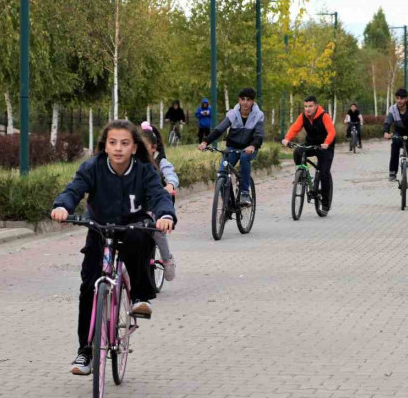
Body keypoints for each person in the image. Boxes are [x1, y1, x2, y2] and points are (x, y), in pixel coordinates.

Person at [50, 120, 176, 375]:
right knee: (88, 286)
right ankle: (85, 351)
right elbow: (74, 189)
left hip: (132, 225)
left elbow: (159, 195)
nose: (118, 148)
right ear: (105, 146)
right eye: (113, 142)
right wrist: (63, 206)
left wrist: (166, 215)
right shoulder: (92, 167)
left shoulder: (144, 170)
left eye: (125, 143)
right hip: (99, 228)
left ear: (134, 147)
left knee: (139, 238)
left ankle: (140, 296)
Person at [198, 87, 265, 207]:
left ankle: (244, 192)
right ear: (239, 100)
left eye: (248, 100)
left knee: (245, 158)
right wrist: (205, 142)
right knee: (222, 173)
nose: (245, 102)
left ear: (253, 102)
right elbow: (219, 129)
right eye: (242, 99)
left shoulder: (258, 115)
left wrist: (252, 146)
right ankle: (227, 203)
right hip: (232, 148)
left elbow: (259, 136)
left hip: (249, 148)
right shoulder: (233, 114)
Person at [282, 96, 336, 211]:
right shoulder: (303, 116)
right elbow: (294, 128)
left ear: (316, 106)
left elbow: (331, 131)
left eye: (310, 106)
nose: (307, 109)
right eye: (306, 106)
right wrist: (287, 139)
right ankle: (301, 175)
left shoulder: (324, 116)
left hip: (325, 147)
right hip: (311, 144)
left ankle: (325, 203)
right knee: (298, 151)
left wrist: (326, 143)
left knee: (324, 173)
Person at [142, 125, 178, 282]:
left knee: (158, 231)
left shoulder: (160, 161)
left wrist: (169, 185)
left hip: (157, 203)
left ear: (153, 147)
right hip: (138, 204)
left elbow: (171, 175)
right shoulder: (131, 163)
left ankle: (167, 259)